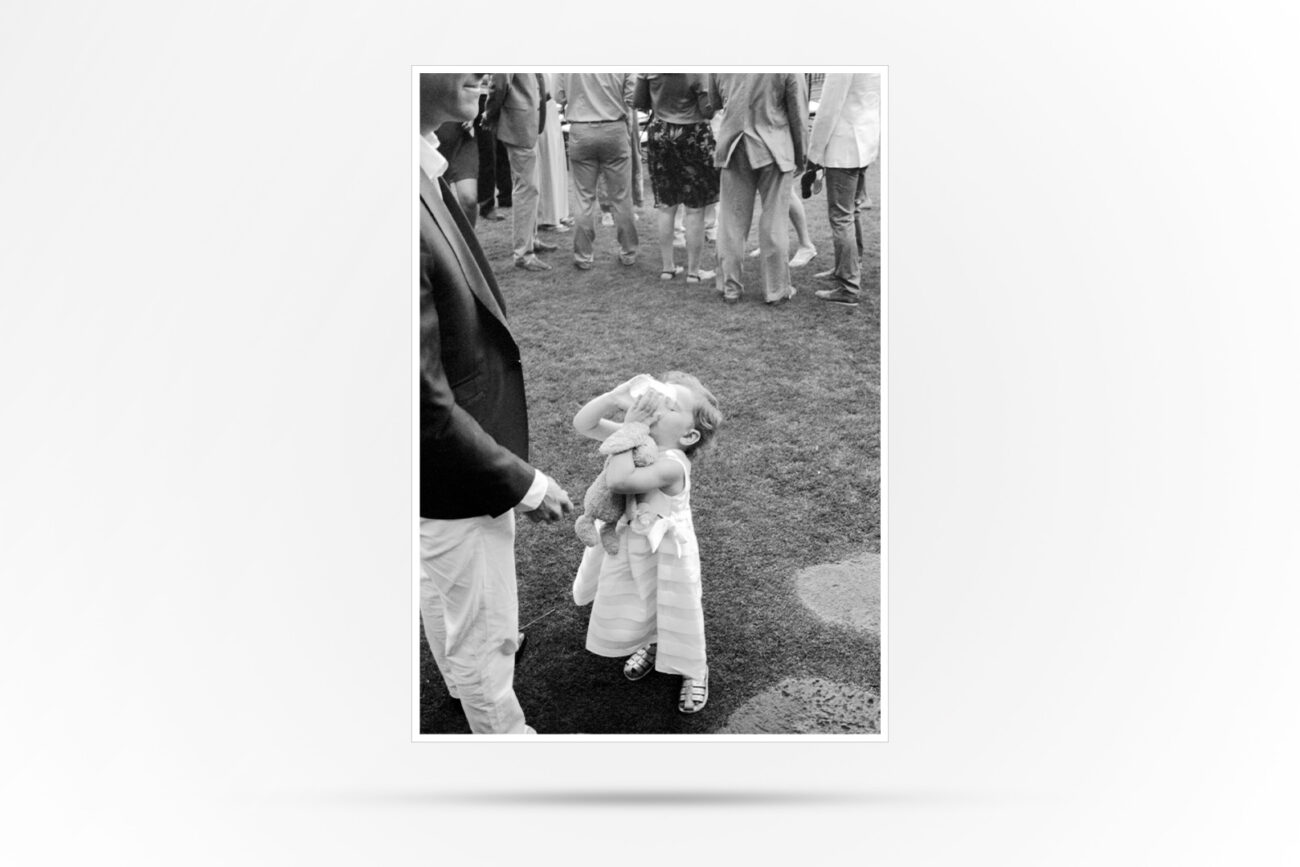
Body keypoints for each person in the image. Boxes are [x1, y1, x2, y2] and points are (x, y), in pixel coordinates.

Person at [418, 72, 575, 734]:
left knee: (449, 594)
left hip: (449, 476)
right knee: (483, 638)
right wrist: (525, 482)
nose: (481, 67)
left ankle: (461, 680)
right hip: (456, 469)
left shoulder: (426, 155)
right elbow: (420, 406)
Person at [571, 372, 722, 714]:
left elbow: (621, 480)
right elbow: (584, 423)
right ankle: (652, 644)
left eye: (670, 405)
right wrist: (616, 395)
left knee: (677, 608)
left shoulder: (673, 465)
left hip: (668, 555)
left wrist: (629, 427)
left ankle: (694, 669)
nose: (658, 403)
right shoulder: (639, 440)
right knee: (643, 601)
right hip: (630, 546)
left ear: (688, 435)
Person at [708, 72, 808, 305]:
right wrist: (801, 157)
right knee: (774, 220)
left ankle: (730, 287)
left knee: (731, 221)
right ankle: (776, 289)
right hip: (774, 145)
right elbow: (798, 114)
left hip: (733, 145)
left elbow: (713, 103)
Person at [633, 72, 719, 284]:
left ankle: (667, 267)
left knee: (666, 205)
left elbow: (638, 101)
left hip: (660, 132)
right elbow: (707, 111)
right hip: (693, 135)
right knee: (695, 207)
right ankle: (693, 271)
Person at [806, 72, 881, 306]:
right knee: (850, 212)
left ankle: (848, 285)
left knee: (841, 216)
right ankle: (846, 267)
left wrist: (814, 154)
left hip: (845, 146)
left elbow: (827, 111)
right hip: (864, 140)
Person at [556, 72, 639, 270]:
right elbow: (633, 97)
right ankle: (629, 251)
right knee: (621, 196)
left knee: (584, 197)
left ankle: (583, 256)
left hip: (581, 130)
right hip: (614, 128)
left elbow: (559, 96)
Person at [485, 72, 558, 272]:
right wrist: (489, 115)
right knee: (526, 188)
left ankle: (531, 240)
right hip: (518, 125)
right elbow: (498, 86)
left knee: (531, 187)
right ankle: (523, 254)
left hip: (530, 124)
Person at [536, 72, 570, 231]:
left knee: (557, 159)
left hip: (550, 107)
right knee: (546, 161)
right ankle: (547, 217)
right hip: (539, 108)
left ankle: (560, 212)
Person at [435, 119, 480, 226]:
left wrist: (471, 117)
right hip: (433, 145)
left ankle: (468, 240)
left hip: (461, 141)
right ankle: (449, 240)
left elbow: (474, 102)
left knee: (469, 199)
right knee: (442, 202)